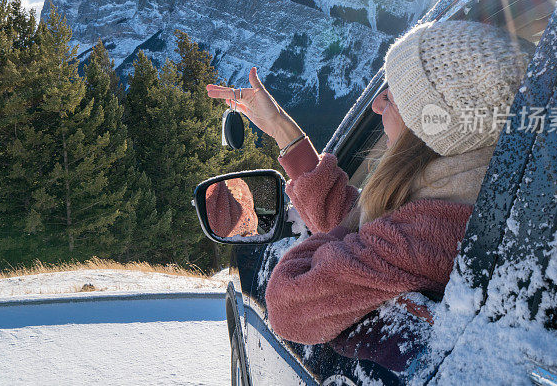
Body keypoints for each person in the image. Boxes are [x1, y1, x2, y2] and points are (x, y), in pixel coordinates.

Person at [206, 20, 534, 345]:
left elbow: (290, 301)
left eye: (392, 96)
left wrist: (346, 232)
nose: (377, 104)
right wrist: (279, 126)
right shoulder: (464, 195)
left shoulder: (434, 230)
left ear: (433, 123)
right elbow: (365, 240)